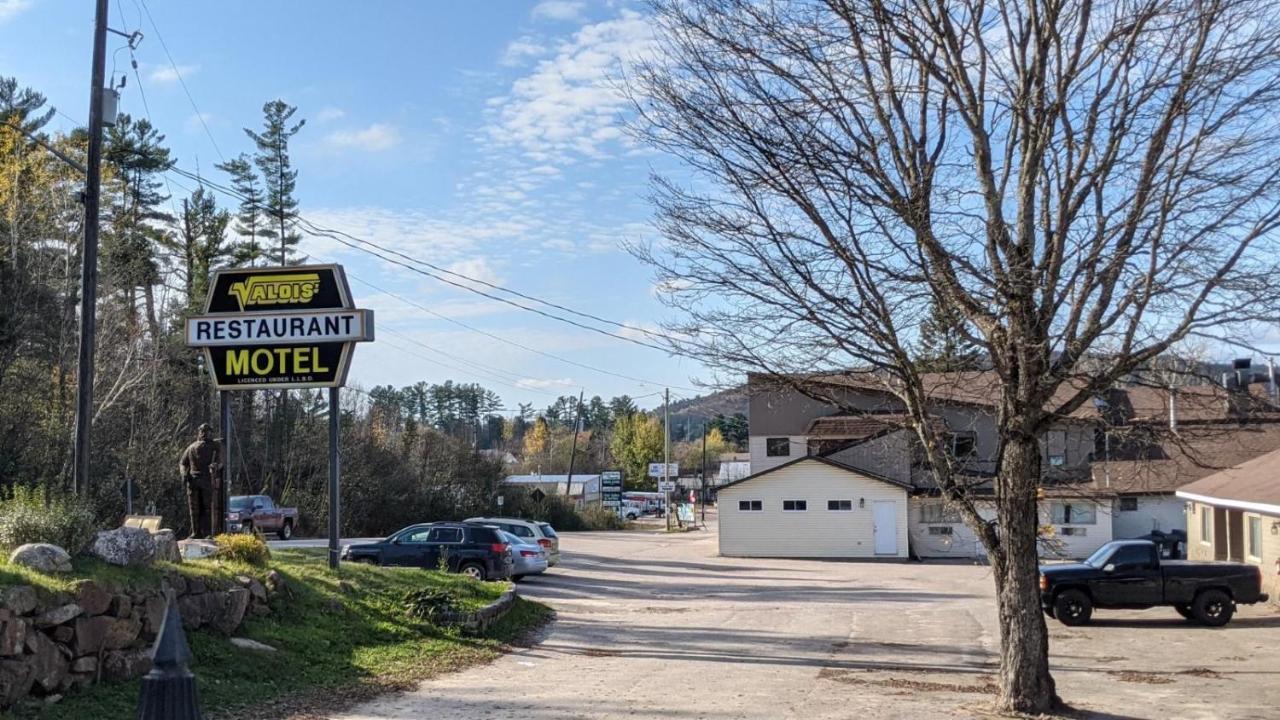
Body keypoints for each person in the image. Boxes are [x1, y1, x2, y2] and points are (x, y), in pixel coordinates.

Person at [178, 423, 222, 538]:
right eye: (202, 431)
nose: (204, 433)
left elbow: (221, 461)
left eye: (206, 431)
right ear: (199, 432)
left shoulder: (215, 446)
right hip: (193, 481)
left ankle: (208, 533)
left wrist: (215, 465)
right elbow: (182, 462)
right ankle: (195, 532)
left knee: (207, 508)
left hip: (207, 480)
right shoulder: (191, 447)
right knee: (194, 508)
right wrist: (183, 474)